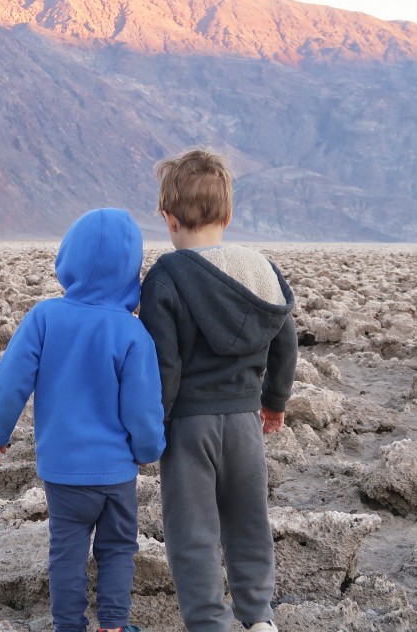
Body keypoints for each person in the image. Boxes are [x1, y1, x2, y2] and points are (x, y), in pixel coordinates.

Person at [0, 207, 165, 632]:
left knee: (67, 552)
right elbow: (143, 408)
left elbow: (10, 384)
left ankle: (68, 626)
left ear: (67, 259)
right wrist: (148, 450)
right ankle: (114, 625)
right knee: (118, 549)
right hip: (116, 474)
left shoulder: (44, 318)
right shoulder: (133, 333)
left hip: (63, 474)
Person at [138, 149, 296, 632]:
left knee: (193, 533)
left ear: (168, 219)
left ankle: (209, 623)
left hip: (188, 427)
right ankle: (258, 617)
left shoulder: (165, 276)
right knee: (250, 522)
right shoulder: (262, 270)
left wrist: (154, 428)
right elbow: (285, 343)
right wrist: (274, 402)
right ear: (228, 214)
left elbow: (164, 364)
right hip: (246, 424)